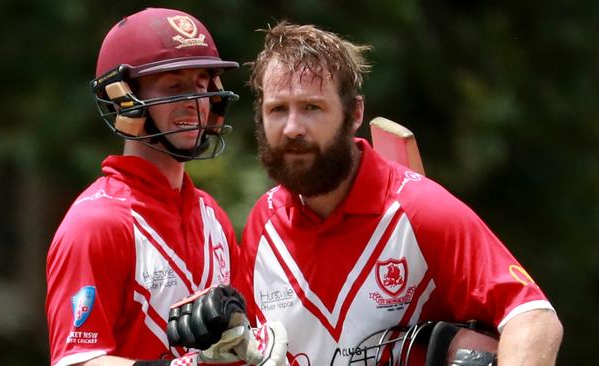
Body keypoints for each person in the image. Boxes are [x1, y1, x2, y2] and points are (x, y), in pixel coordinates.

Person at [233, 21, 563, 365]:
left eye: (312, 108)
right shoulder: (264, 221)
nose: (292, 128)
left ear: (355, 112)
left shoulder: (421, 210)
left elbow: (533, 318)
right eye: (277, 110)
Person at [45, 8, 286, 366]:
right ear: (123, 97)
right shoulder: (96, 223)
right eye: (174, 85)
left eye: (202, 84)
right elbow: (77, 362)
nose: (194, 100)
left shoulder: (212, 218)